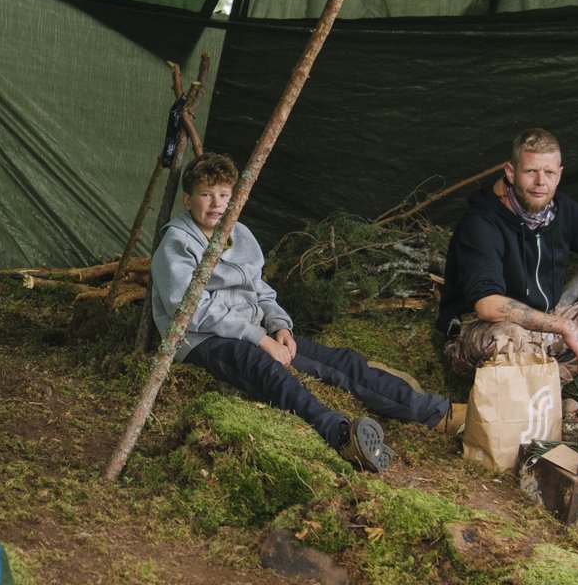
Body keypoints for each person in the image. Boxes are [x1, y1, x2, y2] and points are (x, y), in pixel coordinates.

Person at [152, 153, 458, 472]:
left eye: (224, 195)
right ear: (187, 201)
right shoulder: (177, 242)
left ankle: (435, 412)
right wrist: (260, 339)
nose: (216, 204)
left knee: (340, 362)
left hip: (254, 328)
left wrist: (279, 325)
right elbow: (190, 309)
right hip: (205, 339)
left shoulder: (239, 235)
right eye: (206, 194)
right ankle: (341, 436)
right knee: (268, 371)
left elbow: (260, 289)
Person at [436, 129, 578, 378]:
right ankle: (542, 384)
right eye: (530, 171)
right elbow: (487, 304)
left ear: (559, 175)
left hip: (548, 321)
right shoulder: (482, 222)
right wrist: (564, 326)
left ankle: (560, 376)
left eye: (549, 173)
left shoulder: (560, 209)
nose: (540, 182)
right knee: (509, 337)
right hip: (483, 332)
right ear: (511, 172)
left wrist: (568, 297)